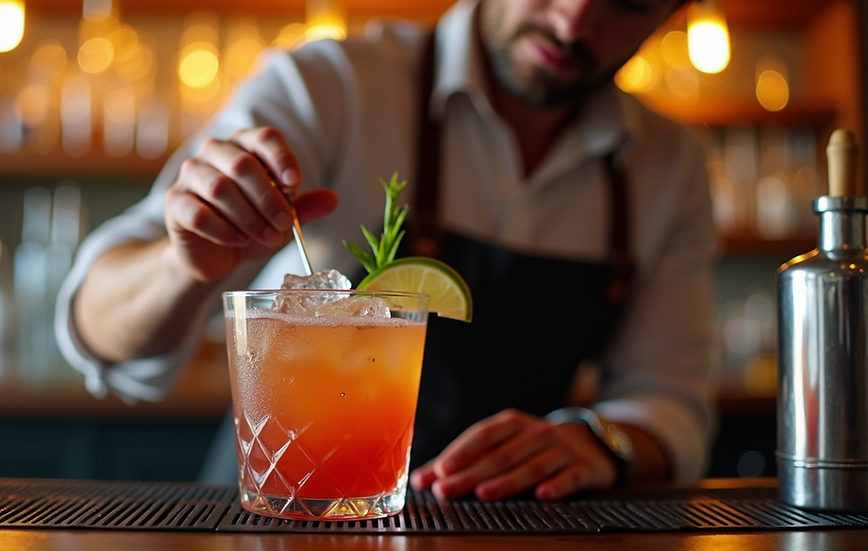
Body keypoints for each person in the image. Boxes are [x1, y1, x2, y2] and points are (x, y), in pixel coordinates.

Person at [56, 0, 716, 503]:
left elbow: (671, 399)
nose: (574, 23)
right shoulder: (330, 84)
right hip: (282, 519)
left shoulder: (670, 168)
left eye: (628, 0)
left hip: (500, 528)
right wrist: (180, 264)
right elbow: (95, 327)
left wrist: (601, 441)